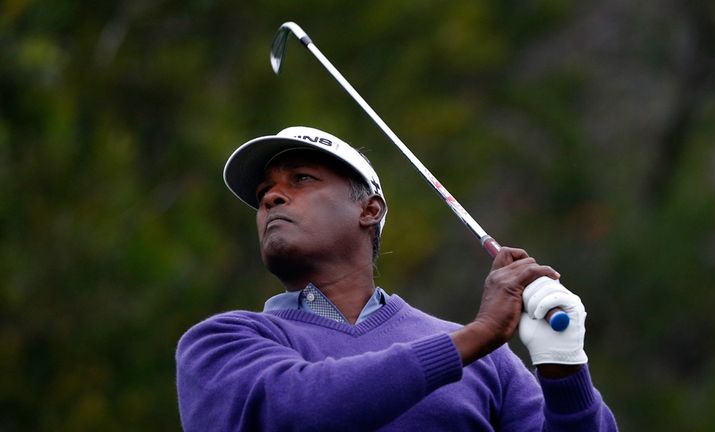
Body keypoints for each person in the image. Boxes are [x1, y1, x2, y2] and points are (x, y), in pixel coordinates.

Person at [176, 126, 618, 431]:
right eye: (262, 194)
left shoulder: (489, 364)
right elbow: (302, 409)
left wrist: (565, 371)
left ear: (370, 210)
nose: (271, 197)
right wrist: (477, 335)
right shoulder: (221, 344)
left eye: (301, 179)